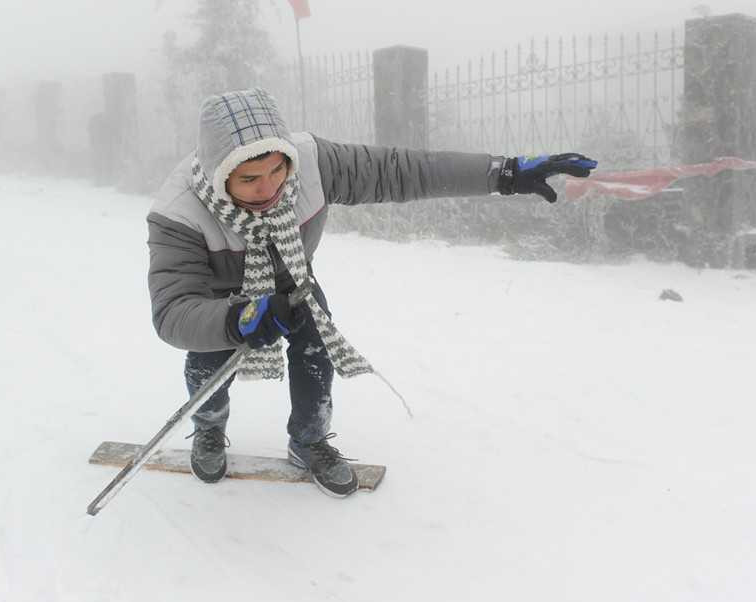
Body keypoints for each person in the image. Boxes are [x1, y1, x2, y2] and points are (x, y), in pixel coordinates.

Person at [145, 87, 596, 498]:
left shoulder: (313, 163)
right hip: (220, 302)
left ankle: (309, 439)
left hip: (293, 282)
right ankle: (207, 428)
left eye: (276, 169)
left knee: (317, 349)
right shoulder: (179, 212)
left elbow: (402, 170)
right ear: (218, 173)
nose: (269, 189)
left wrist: (504, 173)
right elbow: (174, 311)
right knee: (208, 360)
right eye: (248, 180)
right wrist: (236, 319)